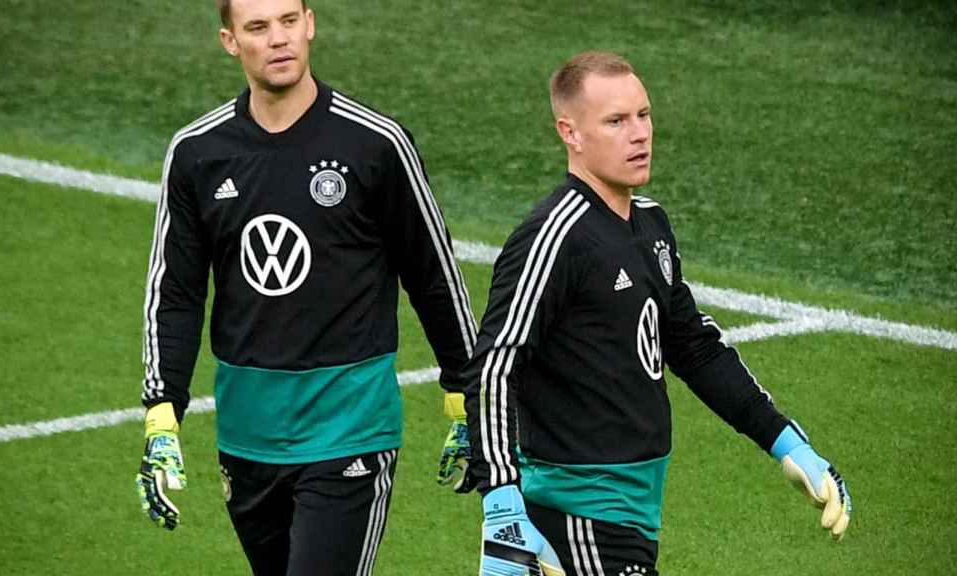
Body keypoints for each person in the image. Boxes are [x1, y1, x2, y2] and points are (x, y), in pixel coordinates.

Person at [459, 51, 853, 576]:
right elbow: (494, 366)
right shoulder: (555, 237)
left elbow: (692, 344)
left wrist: (786, 441)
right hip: (578, 516)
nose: (639, 134)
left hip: (630, 516)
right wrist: (502, 507)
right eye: (616, 121)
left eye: (643, 115)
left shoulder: (650, 225)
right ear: (570, 133)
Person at [132, 1, 478, 574]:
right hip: (248, 435)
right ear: (229, 41)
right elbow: (175, 291)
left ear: (310, 24)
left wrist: (467, 395)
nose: (278, 39)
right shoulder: (197, 152)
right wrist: (161, 411)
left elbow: (433, 273)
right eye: (258, 28)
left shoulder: (376, 144)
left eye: (289, 21)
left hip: (350, 428)